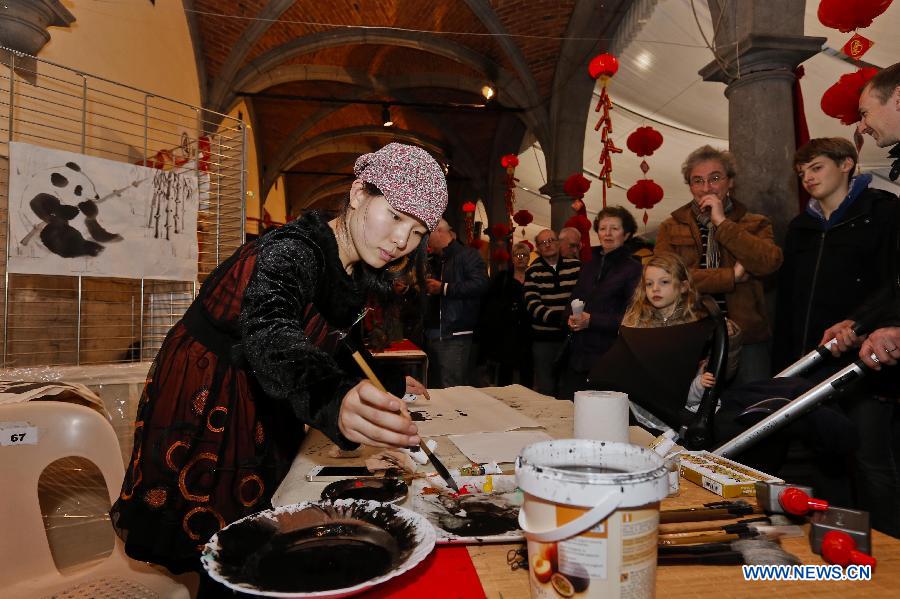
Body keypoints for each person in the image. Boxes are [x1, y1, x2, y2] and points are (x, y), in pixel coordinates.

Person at [110, 142, 447, 577]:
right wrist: (330, 397)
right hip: (214, 392)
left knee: (268, 525)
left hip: (268, 385)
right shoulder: (294, 249)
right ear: (358, 192)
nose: (402, 240)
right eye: (396, 216)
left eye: (418, 231)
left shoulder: (350, 263)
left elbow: (338, 344)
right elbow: (272, 329)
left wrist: (391, 383)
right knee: (227, 540)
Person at [655, 145, 783, 385]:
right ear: (690, 186)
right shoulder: (671, 227)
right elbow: (665, 280)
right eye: (698, 181)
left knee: (752, 401)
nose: (706, 188)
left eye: (715, 178)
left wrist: (722, 222)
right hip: (689, 331)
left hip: (747, 336)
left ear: (730, 182)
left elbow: (769, 263)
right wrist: (730, 277)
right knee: (692, 401)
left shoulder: (755, 223)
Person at [622, 253, 741, 419]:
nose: (655, 288)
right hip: (644, 405)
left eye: (664, 282)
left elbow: (723, 372)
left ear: (683, 286)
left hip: (688, 404)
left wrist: (728, 339)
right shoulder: (636, 322)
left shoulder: (699, 323)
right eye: (649, 284)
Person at [559, 206, 641, 400]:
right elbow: (574, 299)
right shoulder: (589, 265)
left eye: (614, 228)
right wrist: (569, 318)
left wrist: (592, 320)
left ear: (626, 234)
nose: (607, 233)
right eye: (603, 228)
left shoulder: (633, 269)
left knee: (600, 411)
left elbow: (634, 317)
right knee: (569, 408)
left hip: (610, 355)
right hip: (578, 354)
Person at [424, 218, 489, 388]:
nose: (426, 240)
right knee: (436, 387)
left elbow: (481, 284)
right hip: (433, 333)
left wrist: (444, 288)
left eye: (427, 234)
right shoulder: (435, 260)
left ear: (439, 231)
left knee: (452, 388)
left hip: (454, 334)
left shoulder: (467, 255)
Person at [524, 229, 581, 396]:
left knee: (569, 388)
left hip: (572, 338)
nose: (547, 245)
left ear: (558, 243)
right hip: (544, 340)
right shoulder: (532, 271)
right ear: (538, 248)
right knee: (546, 388)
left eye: (551, 240)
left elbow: (584, 297)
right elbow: (532, 305)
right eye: (543, 243)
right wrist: (562, 318)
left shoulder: (576, 267)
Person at [476, 241, 533, 386]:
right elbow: (491, 303)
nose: (520, 258)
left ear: (528, 258)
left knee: (527, 370)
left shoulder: (534, 276)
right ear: (512, 258)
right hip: (506, 331)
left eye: (524, 255)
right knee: (505, 371)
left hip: (528, 330)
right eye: (517, 255)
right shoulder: (503, 277)